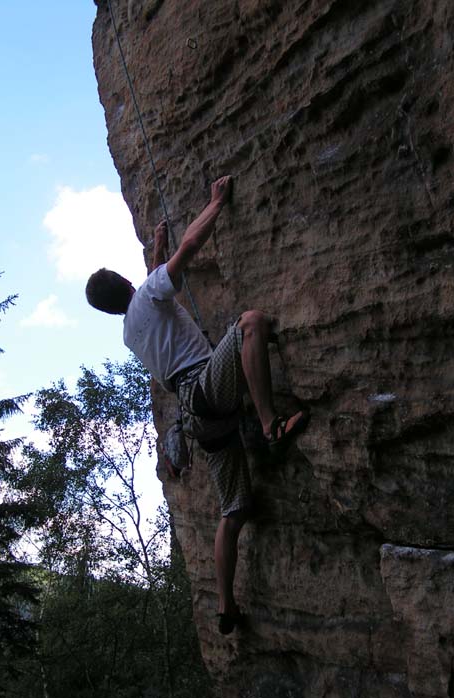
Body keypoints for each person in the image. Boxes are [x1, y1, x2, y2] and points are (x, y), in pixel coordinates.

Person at [85, 176, 308, 634]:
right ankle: (270, 427)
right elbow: (187, 250)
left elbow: (152, 292)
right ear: (128, 281)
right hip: (205, 390)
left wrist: (155, 254)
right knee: (250, 324)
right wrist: (217, 202)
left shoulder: (130, 331)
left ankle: (226, 605)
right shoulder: (148, 293)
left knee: (235, 510)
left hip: (200, 422)